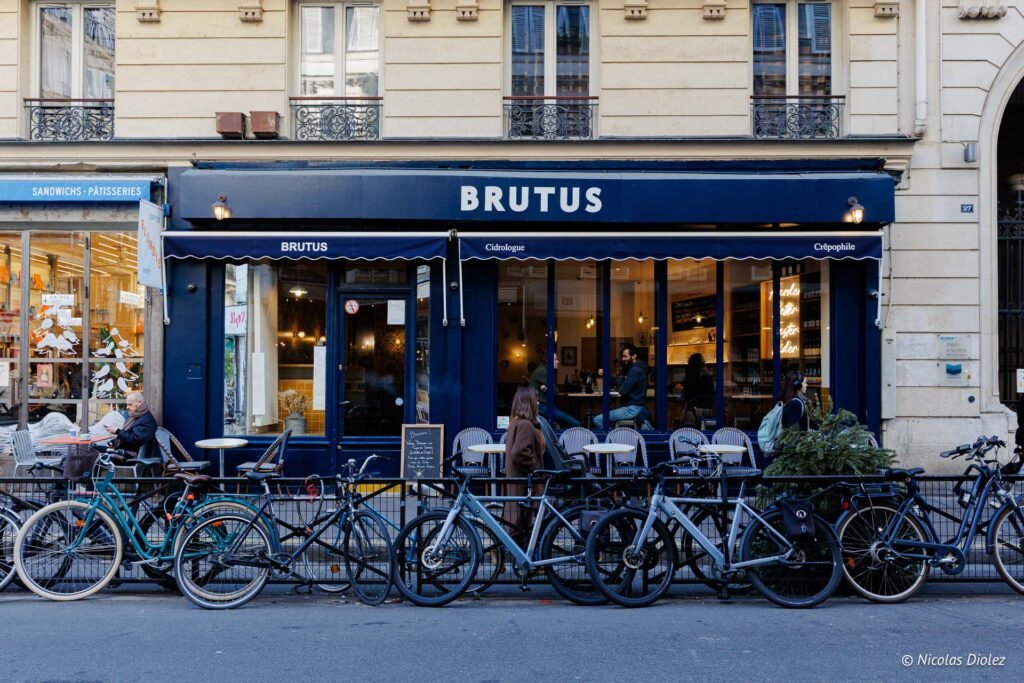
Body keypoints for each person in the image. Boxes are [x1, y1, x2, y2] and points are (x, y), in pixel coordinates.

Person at [503, 387, 546, 539]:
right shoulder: (525, 425)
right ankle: (501, 548)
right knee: (519, 519)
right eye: (536, 399)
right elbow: (519, 452)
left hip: (516, 478)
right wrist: (535, 467)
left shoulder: (515, 423)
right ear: (529, 403)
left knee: (515, 518)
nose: (539, 403)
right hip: (524, 479)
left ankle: (505, 550)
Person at [594, 344, 651, 430]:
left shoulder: (635, 370)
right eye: (622, 356)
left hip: (632, 409)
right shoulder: (635, 368)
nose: (623, 359)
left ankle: (611, 440)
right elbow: (620, 383)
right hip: (634, 407)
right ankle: (614, 437)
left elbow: (622, 390)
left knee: (598, 419)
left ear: (634, 356)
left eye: (625, 356)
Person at [528, 352, 580, 429]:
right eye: (555, 359)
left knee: (556, 427)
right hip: (542, 407)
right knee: (576, 423)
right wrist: (548, 389)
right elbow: (556, 391)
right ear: (547, 361)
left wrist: (547, 389)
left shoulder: (542, 370)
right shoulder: (542, 371)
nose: (558, 361)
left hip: (544, 406)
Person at [105, 391, 158, 456]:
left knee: (94, 451)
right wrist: (113, 442)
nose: (127, 407)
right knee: (95, 449)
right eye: (127, 404)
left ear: (140, 403)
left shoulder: (146, 420)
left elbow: (135, 439)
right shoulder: (135, 417)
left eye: (130, 404)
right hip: (124, 452)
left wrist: (117, 431)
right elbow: (128, 435)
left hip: (130, 456)